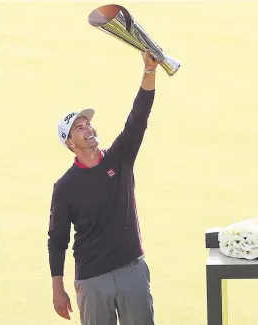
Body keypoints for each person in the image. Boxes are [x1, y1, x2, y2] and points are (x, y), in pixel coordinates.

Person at [47, 50, 159, 325]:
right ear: (70, 143)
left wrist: (149, 72)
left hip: (131, 270)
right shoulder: (65, 187)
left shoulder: (119, 158)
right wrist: (57, 288)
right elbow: (57, 239)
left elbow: (138, 118)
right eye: (79, 128)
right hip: (93, 279)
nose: (88, 129)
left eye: (88, 124)